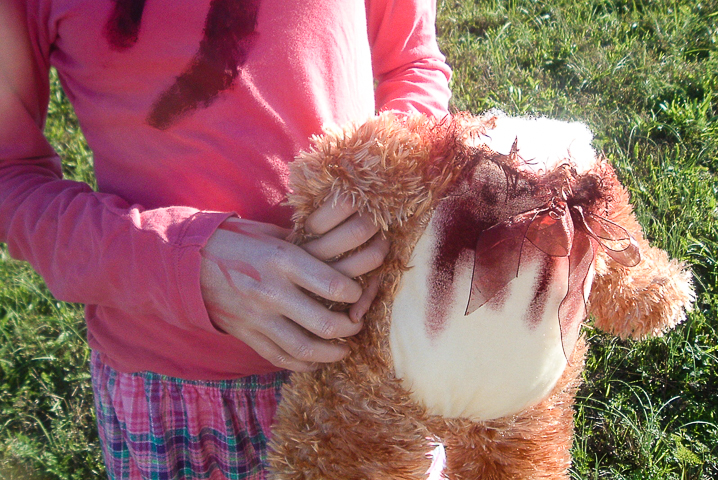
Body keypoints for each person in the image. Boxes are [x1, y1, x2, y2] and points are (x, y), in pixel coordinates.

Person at [0, 0, 451, 478]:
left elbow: (413, 61)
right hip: (173, 386)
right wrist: (183, 268)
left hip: (368, 350)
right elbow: (10, 175)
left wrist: (385, 185)